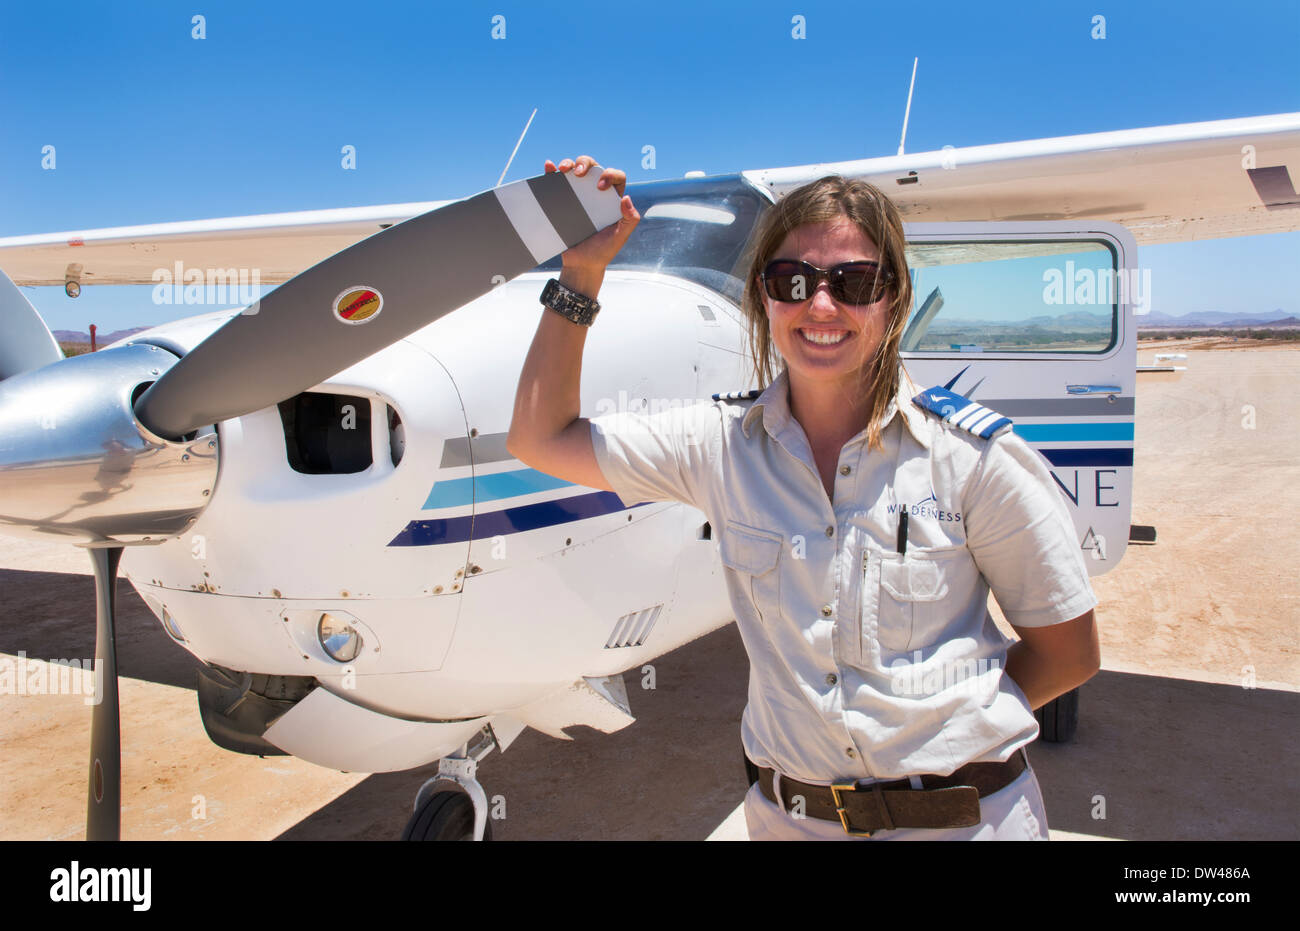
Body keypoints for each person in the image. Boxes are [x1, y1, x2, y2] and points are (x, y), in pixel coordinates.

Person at [508, 155, 1101, 840]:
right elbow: (541, 435)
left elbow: (1068, 653)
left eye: (854, 281)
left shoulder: (971, 455)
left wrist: (949, 735)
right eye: (792, 280)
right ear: (765, 296)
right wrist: (581, 274)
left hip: (963, 824)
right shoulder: (721, 445)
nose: (821, 305)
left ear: (894, 298)